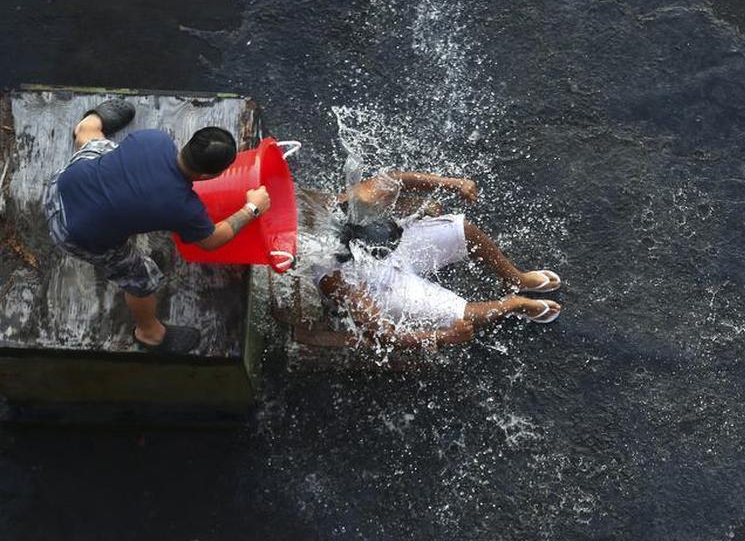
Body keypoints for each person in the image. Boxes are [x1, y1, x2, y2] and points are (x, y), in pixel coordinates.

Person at [42, 98, 272, 354]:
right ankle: (150, 334)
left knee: (95, 145)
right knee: (141, 279)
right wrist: (252, 209)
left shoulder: (153, 140)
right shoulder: (183, 208)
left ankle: (89, 122)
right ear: (208, 177)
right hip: (71, 232)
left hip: (60, 185)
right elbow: (212, 240)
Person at [303, 168, 562, 353]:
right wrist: (445, 337)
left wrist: (452, 183)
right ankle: (513, 304)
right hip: (384, 286)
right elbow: (382, 334)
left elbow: (394, 179)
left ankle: (514, 277)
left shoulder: (343, 205)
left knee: (461, 230)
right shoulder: (333, 277)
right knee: (462, 315)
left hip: (397, 249)